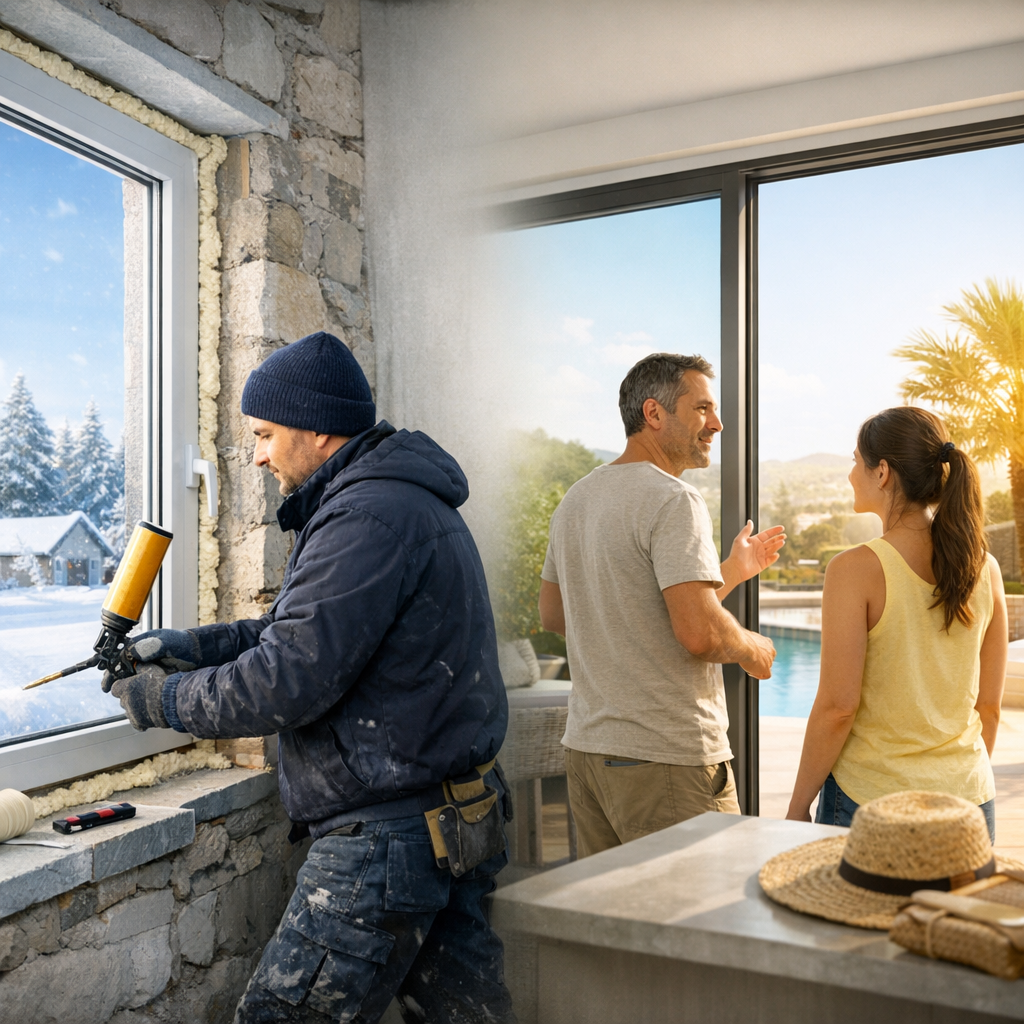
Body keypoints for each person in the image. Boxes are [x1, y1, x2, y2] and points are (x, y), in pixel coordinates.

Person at [104, 331, 515, 1024]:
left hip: (391, 838)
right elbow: (302, 634)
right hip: (454, 818)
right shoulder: (395, 500)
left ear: (318, 427)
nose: (258, 453)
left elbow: (284, 680)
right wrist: (189, 646)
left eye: (265, 433)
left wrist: (159, 699)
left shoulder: (366, 517)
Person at [538, 353, 784, 858]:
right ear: (654, 414)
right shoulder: (673, 499)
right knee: (703, 922)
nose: (716, 423)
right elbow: (699, 634)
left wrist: (732, 572)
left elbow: (558, 616)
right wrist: (752, 648)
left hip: (589, 756)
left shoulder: (576, 501)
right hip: (665, 761)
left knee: (618, 927)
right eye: (702, 409)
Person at [786, 406, 1007, 843]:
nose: (851, 474)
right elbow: (990, 708)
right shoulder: (987, 568)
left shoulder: (854, 570)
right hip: (970, 801)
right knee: (948, 915)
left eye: (855, 461)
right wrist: (957, 779)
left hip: (873, 803)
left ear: (882, 472)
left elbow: (837, 708)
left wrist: (796, 807)